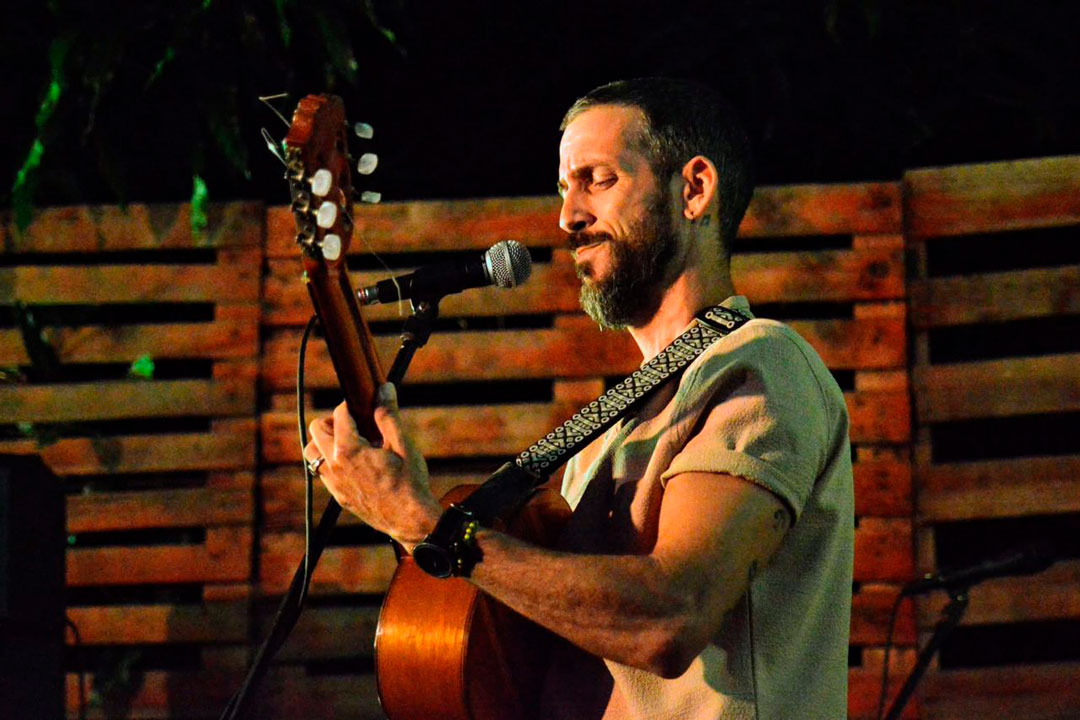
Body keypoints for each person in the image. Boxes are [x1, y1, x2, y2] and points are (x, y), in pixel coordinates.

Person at [305, 77, 854, 719]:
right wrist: (416, 525)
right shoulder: (611, 430)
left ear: (694, 189)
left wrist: (428, 526)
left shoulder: (760, 363)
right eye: (564, 188)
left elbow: (671, 617)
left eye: (597, 179)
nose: (567, 217)